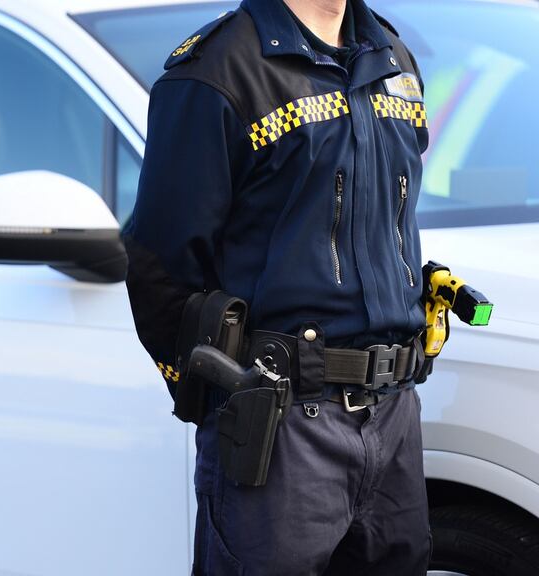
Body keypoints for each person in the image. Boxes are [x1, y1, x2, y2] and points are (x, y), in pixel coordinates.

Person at [124, 0, 431, 573]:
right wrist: (219, 393)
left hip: (394, 417)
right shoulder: (216, 70)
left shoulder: (393, 56)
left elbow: (389, 217)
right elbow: (158, 264)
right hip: (282, 426)